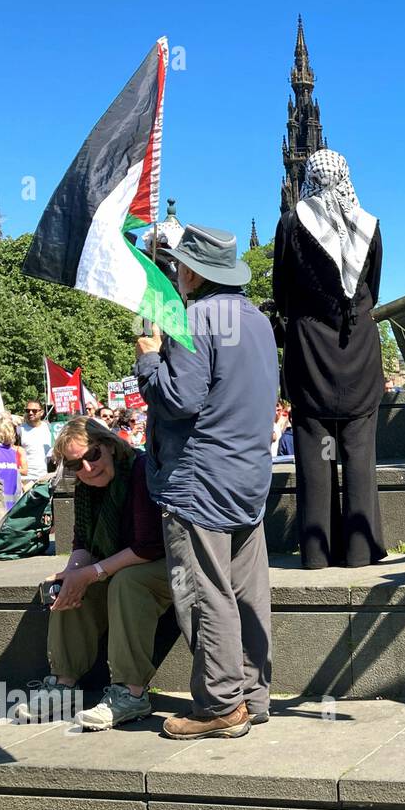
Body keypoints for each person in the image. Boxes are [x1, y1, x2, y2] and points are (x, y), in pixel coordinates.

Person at [135, 223, 278, 740]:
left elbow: (180, 400)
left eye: (177, 265)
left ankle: (220, 703)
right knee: (246, 588)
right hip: (248, 476)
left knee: (203, 590)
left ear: (193, 271)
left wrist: (148, 356)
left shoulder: (191, 319)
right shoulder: (257, 321)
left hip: (199, 479)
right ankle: (252, 695)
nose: (173, 272)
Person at [272, 149, 387, 570]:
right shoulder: (370, 225)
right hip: (357, 348)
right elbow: (372, 288)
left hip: (310, 351)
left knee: (316, 455)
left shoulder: (291, 223)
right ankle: (360, 550)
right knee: (358, 451)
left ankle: (317, 553)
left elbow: (281, 290)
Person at [17, 417, 172, 730]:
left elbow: (148, 545)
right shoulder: (86, 489)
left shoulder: (139, 470)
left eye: (92, 455)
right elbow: (82, 543)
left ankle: (131, 692)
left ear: (109, 447)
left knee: (128, 582)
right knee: (67, 583)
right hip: (122, 559)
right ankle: (63, 684)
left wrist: (94, 572)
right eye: (75, 465)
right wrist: (72, 572)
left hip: (166, 563)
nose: (87, 469)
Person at [18, 400, 53, 487]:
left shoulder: (49, 428)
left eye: (34, 410)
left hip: (45, 477)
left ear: (41, 412)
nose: (30, 413)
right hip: (25, 479)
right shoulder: (19, 430)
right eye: (27, 410)